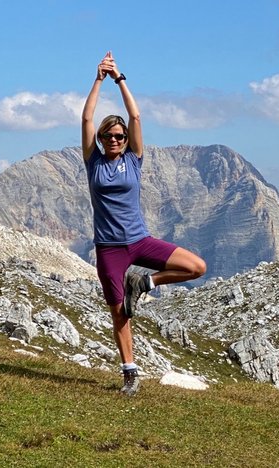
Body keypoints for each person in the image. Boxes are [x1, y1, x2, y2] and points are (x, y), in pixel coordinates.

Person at [81, 51, 206, 396]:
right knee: (119, 312)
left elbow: (135, 115)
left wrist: (119, 78)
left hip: (139, 240)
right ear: (102, 140)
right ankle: (130, 373)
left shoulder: (134, 160)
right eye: (110, 137)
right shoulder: (93, 163)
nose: (115, 141)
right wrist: (97, 80)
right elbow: (87, 118)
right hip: (109, 248)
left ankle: (146, 282)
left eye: (120, 137)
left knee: (196, 267)